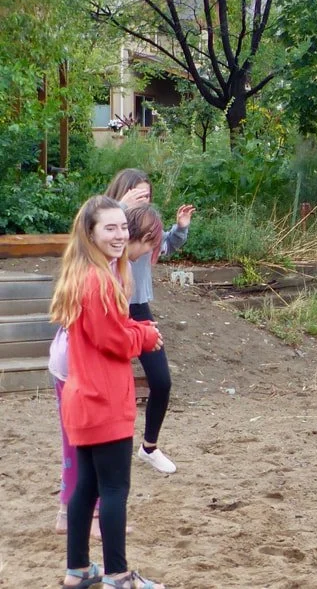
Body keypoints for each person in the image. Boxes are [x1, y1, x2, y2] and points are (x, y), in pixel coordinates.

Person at [51, 195, 166, 589]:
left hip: (83, 399)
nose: (120, 236)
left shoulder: (85, 274)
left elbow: (107, 335)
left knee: (86, 486)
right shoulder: (98, 280)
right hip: (103, 401)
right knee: (115, 489)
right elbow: (114, 340)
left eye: (122, 227)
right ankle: (119, 576)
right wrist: (146, 333)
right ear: (91, 233)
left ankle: (79, 569)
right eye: (110, 228)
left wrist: (135, 332)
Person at [105, 168, 195, 474]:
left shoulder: (144, 232)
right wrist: (122, 207)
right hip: (107, 309)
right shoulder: (108, 227)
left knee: (161, 381)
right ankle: (104, 448)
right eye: (137, 195)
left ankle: (149, 448)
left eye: (147, 196)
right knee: (110, 387)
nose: (144, 201)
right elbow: (90, 231)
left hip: (138, 308)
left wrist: (179, 229)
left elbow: (164, 245)